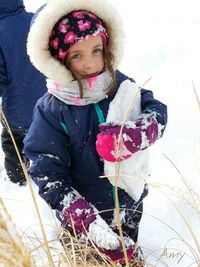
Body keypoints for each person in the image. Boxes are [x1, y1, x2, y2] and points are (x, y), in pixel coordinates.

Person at [24, 0, 168, 265]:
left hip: (128, 205)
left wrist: (137, 133)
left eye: (96, 50)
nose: (91, 63)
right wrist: (84, 219)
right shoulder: (53, 109)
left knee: (127, 255)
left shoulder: (117, 83)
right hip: (85, 222)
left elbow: (156, 110)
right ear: (60, 60)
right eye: (77, 55)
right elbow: (46, 171)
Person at [0, 0, 46, 186]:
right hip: (48, 108)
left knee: (13, 146)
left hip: (17, 115)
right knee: (48, 144)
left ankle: (19, 181)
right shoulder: (36, 21)